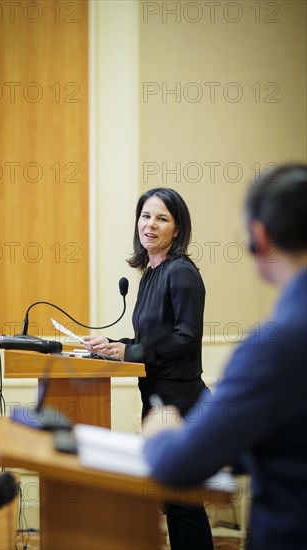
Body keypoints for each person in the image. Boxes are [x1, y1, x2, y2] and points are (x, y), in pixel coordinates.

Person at [142, 165, 307, 550]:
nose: (150, 224)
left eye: (161, 217)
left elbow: (178, 464)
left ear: (258, 236)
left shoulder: (274, 346)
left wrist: (160, 431)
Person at [84, 187, 213, 550]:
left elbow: (185, 337)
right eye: (145, 216)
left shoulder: (182, 273)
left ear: (177, 228)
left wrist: (131, 351)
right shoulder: (150, 275)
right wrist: (116, 346)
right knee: (173, 502)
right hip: (157, 399)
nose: (151, 225)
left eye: (162, 218)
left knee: (184, 502)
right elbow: (152, 338)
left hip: (181, 402)